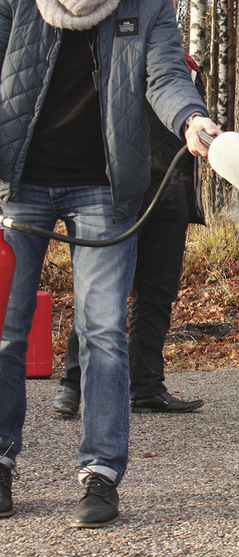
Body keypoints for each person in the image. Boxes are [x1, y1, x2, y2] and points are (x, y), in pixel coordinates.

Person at [0, 0, 220, 527]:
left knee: (101, 329)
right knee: (5, 329)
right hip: (18, 183)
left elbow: (165, 74)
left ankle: (99, 473)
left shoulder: (147, 7)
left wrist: (192, 118)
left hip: (104, 188)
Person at [53, 50, 207, 416]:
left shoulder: (188, 67)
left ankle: (148, 388)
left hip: (171, 190)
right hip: (118, 192)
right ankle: (73, 385)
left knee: (156, 295)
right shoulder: (117, 55)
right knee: (101, 290)